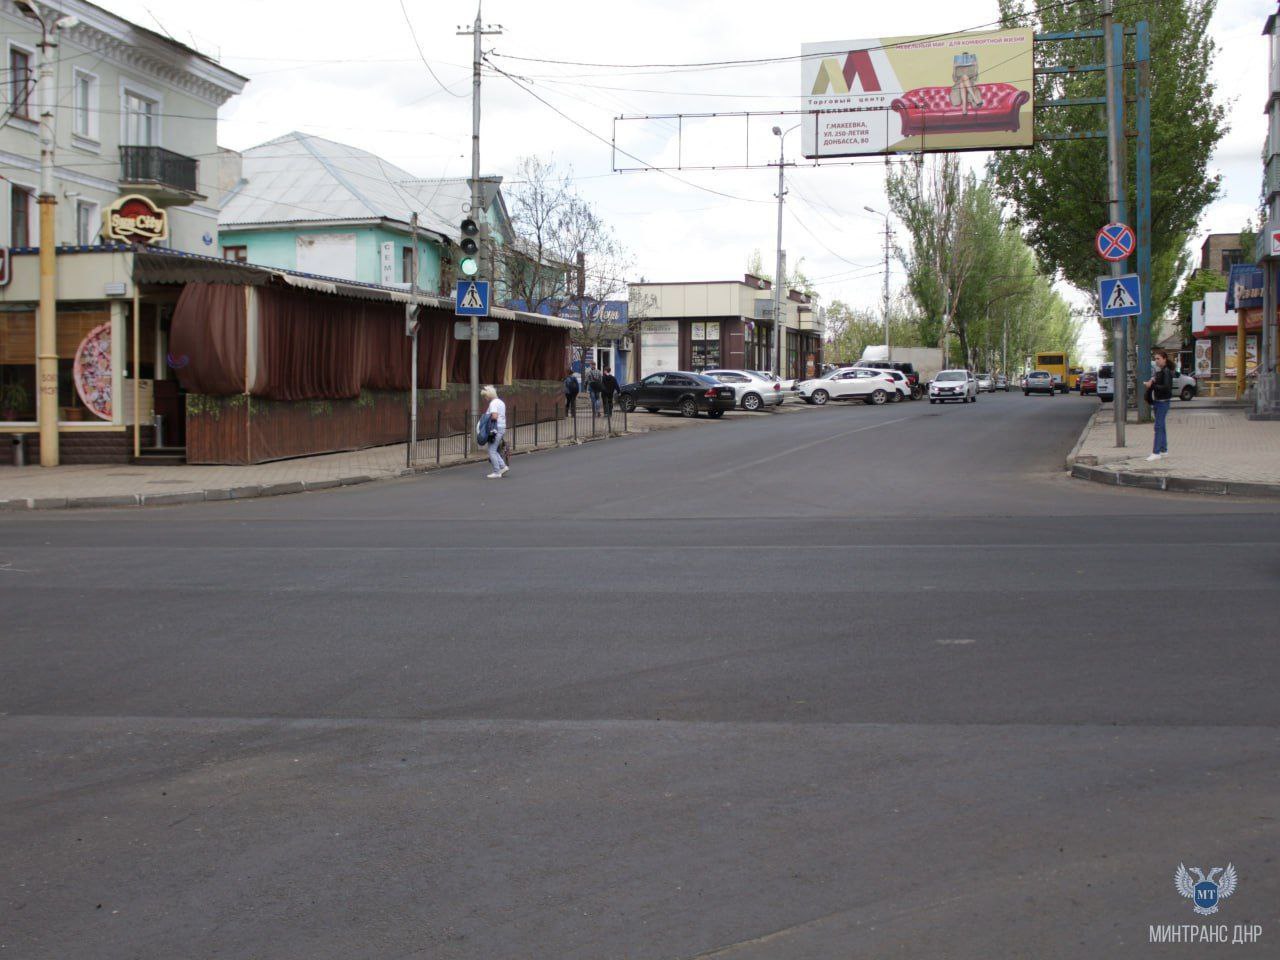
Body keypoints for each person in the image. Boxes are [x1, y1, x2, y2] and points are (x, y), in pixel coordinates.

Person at [1143, 349, 1175, 462]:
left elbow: (1166, 387)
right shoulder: (1160, 370)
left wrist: (1152, 385)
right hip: (1158, 401)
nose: (1156, 361)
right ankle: (1164, 450)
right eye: (1155, 359)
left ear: (1164, 359)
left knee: (1158, 426)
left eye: (1158, 359)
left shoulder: (1166, 371)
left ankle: (1156, 452)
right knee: (1161, 426)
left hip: (1163, 402)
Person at [481, 384, 508, 478]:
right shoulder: (500, 402)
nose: (485, 398)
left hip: (495, 428)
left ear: (489, 395)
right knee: (494, 449)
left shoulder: (493, 403)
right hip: (501, 427)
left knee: (491, 450)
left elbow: (494, 416)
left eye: (485, 396)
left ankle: (497, 472)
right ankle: (503, 466)